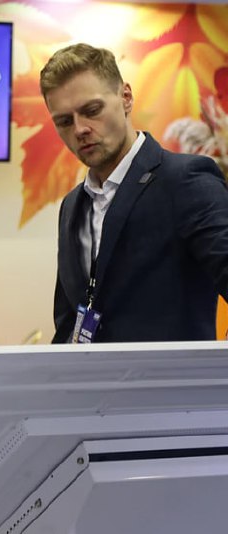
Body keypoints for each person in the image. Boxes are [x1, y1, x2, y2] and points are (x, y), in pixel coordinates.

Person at [40, 43, 228, 343]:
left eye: (92, 110)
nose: (80, 129)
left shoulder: (186, 180)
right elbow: (68, 322)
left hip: (169, 374)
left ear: (125, 97)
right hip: (88, 373)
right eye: (64, 121)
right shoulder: (72, 205)